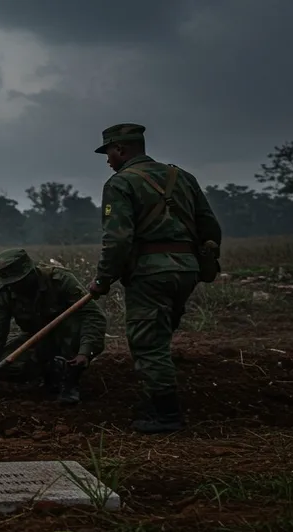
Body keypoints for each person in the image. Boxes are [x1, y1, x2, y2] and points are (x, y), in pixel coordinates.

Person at [87, 123, 222, 433]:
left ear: (121, 149)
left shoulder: (120, 183)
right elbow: (210, 228)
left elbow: (118, 239)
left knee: (148, 345)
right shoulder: (182, 177)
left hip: (150, 274)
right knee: (159, 338)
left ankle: (165, 414)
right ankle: (155, 398)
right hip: (186, 270)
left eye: (108, 152)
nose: (108, 159)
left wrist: (103, 279)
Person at [0, 249, 107, 404]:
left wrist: (85, 351)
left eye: (18, 281)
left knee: (73, 328)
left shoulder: (60, 280)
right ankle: (49, 372)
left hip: (70, 336)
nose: (15, 286)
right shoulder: (4, 294)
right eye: (10, 283)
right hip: (38, 339)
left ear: (31, 272)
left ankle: (70, 381)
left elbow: (93, 316)